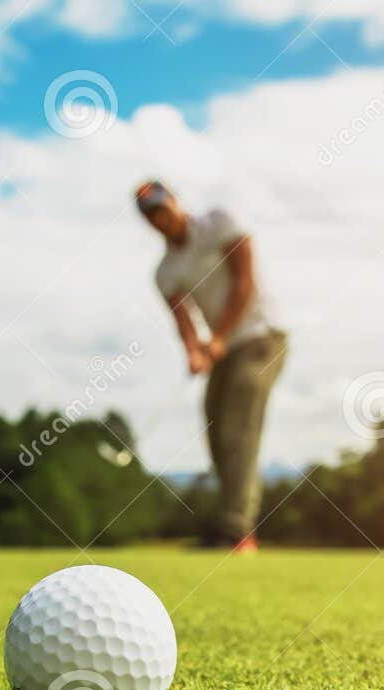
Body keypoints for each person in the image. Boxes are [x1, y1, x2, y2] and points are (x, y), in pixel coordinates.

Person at [135, 180, 287, 553]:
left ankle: (236, 532)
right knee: (216, 431)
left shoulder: (221, 223)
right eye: (150, 214)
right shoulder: (166, 271)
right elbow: (183, 320)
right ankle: (229, 524)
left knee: (238, 427)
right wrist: (193, 351)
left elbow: (244, 282)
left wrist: (217, 337)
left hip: (261, 338)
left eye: (161, 207)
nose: (159, 217)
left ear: (174, 199)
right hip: (224, 349)